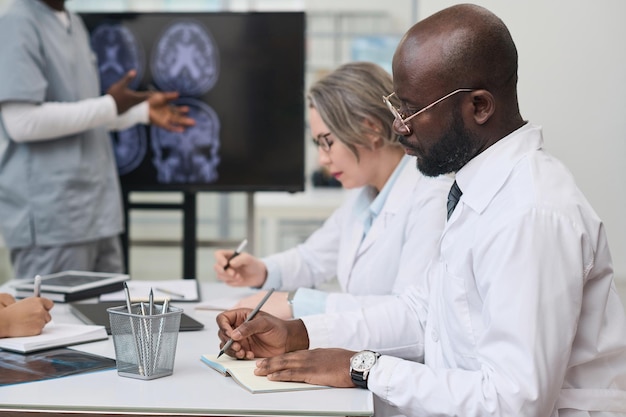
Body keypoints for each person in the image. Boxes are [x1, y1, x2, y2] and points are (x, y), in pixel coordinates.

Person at [216, 4, 626, 416]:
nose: (399, 126)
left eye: (410, 110)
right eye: (397, 107)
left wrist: (363, 367)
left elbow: (513, 401)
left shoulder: (529, 214)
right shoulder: (475, 191)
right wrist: (298, 333)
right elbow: (422, 313)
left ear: (479, 106)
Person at [213, 61, 451, 319]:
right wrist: (262, 271)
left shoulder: (430, 198)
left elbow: (411, 315)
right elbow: (312, 259)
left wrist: (297, 302)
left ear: (370, 128)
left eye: (327, 143)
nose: (322, 161)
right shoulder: (365, 195)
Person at [0, 0, 195, 280]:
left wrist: (140, 112)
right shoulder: (16, 21)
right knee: (56, 322)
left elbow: (88, 114)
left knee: (111, 319)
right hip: (53, 220)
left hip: (98, 213)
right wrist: (110, 105)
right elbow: (22, 123)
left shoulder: (73, 23)